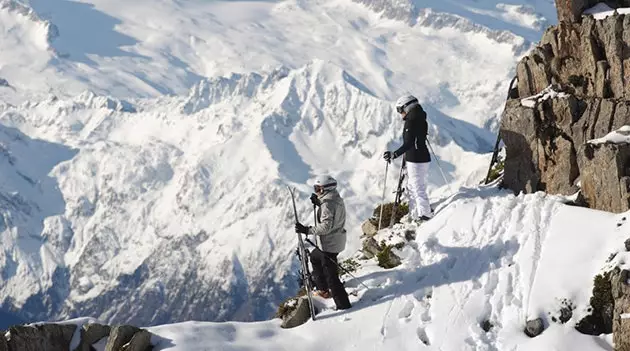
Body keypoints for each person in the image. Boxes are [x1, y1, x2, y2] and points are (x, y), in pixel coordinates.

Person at [295, 175, 352, 310]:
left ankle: (343, 305)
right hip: (332, 242)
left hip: (329, 244)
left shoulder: (328, 204)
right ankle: (323, 289)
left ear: (327, 189)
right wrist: (320, 202)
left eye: (318, 189)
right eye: (315, 189)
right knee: (315, 257)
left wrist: (306, 230)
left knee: (332, 277)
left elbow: (326, 227)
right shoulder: (334, 198)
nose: (316, 192)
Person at [384, 95, 433, 221]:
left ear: (407, 106)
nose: (400, 113)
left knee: (417, 187)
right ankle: (415, 213)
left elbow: (409, 143)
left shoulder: (411, 121)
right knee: (413, 186)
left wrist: (394, 154)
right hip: (422, 156)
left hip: (415, 159)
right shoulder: (420, 117)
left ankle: (425, 214)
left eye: (400, 110)